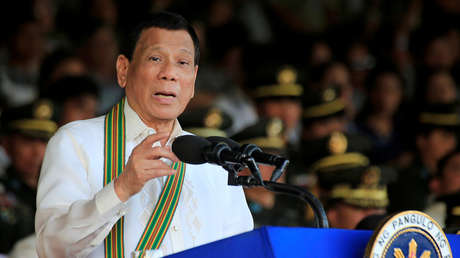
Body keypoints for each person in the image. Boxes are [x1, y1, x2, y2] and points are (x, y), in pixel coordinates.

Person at [35, 12, 253, 258]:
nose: (169, 73)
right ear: (123, 69)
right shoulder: (76, 141)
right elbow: (51, 249)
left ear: (193, 79)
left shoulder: (215, 161)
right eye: (155, 58)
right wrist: (121, 188)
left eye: (182, 63)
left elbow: (242, 250)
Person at [0, 99, 58, 253]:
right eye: (28, 140)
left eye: (44, 141)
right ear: (6, 143)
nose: (37, 152)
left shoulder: (59, 188)